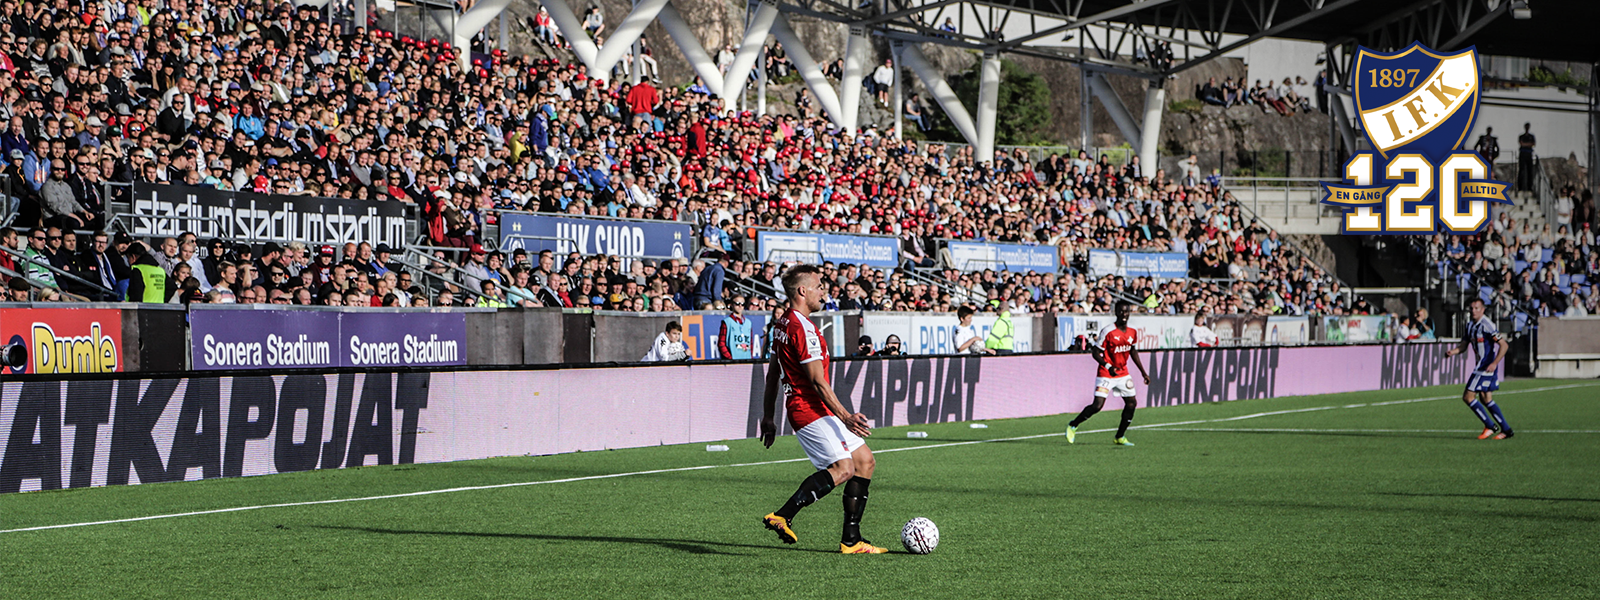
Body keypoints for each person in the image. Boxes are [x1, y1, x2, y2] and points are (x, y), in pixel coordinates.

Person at [759, 264, 885, 554]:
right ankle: (782, 515)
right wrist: (846, 417)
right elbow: (817, 381)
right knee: (844, 469)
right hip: (809, 409)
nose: (823, 292)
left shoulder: (782, 323)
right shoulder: (801, 328)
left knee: (865, 461)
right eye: (818, 287)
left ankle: (851, 541)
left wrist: (768, 416)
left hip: (815, 408)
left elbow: (772, 374)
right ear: (802, 291)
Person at [1065, 301, 1148, 446]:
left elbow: (1133, 351)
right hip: (1106, 373)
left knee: (1131, 403)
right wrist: (1108, 366)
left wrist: (1143, 372)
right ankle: (1073, 425)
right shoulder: (1108, 331)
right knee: (1097, 406)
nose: (1124, 314)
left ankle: (1120, 436)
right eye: (1121, 311)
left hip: (1122, 373)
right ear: (1116, 312)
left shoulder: (1132, 331)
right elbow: (1095, 352)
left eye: (1126, 311)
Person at [1444, 298, 1513, 440]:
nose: (1473, 311)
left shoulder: (1487, 325)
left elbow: (1504, 345)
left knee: (1468, 397)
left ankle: (1489, 425)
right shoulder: (1470, 326)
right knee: (1486, 399)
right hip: (1482, 367)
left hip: (1485, 367)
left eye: (1477, 308)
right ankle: (1506, 430)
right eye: (1471, 308)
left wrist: (1494, 363)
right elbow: (1463, 346)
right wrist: (1453, 352)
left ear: (1483, 310)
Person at [1516, 123, 1536, 192]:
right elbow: (1521, 143)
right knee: (1521, 171)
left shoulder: (1531, 136)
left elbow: (1533, 144)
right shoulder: (1521, 136)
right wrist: (1528, 144)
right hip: (1522, 154)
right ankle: (1520, 187)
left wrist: (1525, 144)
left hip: (1529, 154)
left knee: (1530, 171)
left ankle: (1530, 187)